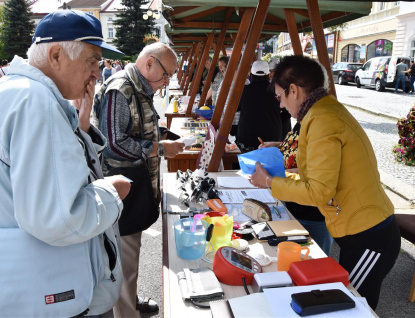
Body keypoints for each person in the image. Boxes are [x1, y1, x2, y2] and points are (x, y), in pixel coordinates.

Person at [0, 9, 131, 317]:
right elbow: (59, 218)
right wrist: (111, 192)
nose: (98, 72)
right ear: (57, 54)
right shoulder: (36, 101)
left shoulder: (17, 93)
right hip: (55, 294)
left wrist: (82, 125)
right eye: (92, 60)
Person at [251, 55, 401, 310]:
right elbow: (319, 176)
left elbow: (319, 191)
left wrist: (270, 182)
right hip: (359, 230)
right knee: (346, 304)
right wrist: (282, 178)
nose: (280, 105)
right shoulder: (322, 112)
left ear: (294, 91)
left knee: (355, 308)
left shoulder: (322, 120)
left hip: (369, 236)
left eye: (280, 97)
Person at [93, 42, 185, 318]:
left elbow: (137, 125)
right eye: (166, 75)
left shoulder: (138, 87)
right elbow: (113, 143)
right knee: (124, 258)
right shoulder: (120, 89)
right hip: (123, 190)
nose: (167, 82)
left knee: (131, 255)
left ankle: (130, 300)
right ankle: (126, 311)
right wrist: (158, 148)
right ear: (149, 64)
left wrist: (161, 133)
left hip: (136, 185)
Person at [259, 122, 333, 255]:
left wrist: (296, 172)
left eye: (282, 99)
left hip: (315, 215)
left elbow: (326, 171)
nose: (281, 105)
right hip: (293, 208)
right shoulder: (302, 121)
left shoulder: (322, 126)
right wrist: (278, 145)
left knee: (315, 262)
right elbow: (297, 147)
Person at [236, 60, 283, 151]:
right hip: (272, 138)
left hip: (247, 138)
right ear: (268, 75)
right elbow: (285, 114)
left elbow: (236, 108)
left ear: (251, 75)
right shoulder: (277, 91)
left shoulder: (244, 91)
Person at [269, 58, 291, 138]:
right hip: (274, 121)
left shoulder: (284, 84)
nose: (270, 74)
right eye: (269, 71)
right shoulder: (269, 85)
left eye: (272, 71)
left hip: (284, 120)